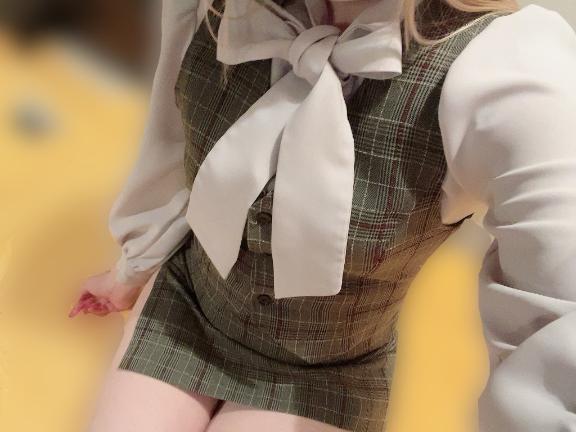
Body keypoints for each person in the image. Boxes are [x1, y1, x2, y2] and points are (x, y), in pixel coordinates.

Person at [71, 0, 576, 431]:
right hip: (190, 304)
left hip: (330, 367)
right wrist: (132, 266)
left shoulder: (509, 71)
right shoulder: (209, 8)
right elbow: (170, 144)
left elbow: (559, 332)